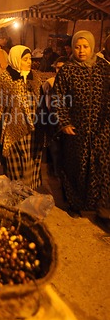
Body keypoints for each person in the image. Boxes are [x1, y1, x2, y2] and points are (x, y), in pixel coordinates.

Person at [53, 30, 110, 216]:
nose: (81, 51)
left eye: (85, 47)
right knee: (76, 166)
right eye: (77, 47)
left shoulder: (104, 68)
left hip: (102, 128)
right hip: (76, 129)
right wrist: (64, 122)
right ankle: (74, 203)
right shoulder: (67, 70)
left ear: (92, 47)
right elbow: (58, 98)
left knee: (100, 166)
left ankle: (100, 207)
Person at [0, 45, 45, 189]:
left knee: (31, 163)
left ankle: (30, 194)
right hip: (12, 130)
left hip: (33, 130)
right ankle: (16, 195)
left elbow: (42, 102)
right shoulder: (5, 78)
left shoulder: (35, 78)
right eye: (25, 59)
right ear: (16, 59)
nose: (29, 62)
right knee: (16, 164)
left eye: (29, 59)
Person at [42, 56, 68, 178]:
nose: (60, 70)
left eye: (63, 68)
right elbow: (46, 102)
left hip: (68, 121)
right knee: (55, 148)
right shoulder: (50, 82)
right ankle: (57, 172)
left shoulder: (73, 81)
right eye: (58, 68)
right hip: (53, 119)